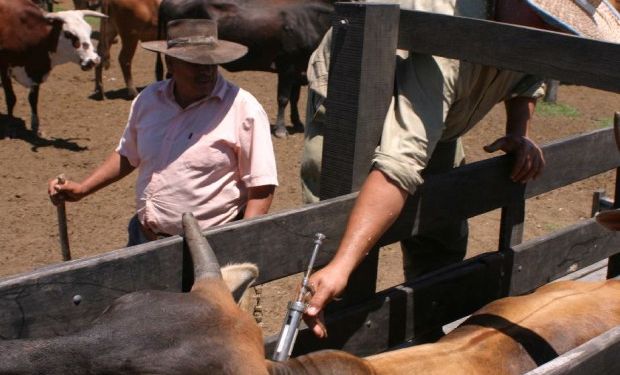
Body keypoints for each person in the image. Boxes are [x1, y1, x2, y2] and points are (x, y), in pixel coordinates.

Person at [302, 0, 620, 338]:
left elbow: (529, 74)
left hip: (440, 118)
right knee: (337, 237)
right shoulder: (448, 33)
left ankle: (424, 334)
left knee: (443, 234)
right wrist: (342, 264)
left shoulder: (532, 33)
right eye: (547, 17)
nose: (553, 32)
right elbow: (402, 160)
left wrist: (518, 131)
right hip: (350, 108)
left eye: (563, 26)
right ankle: (322, 344)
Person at [48, 19, 278, 246]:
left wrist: (242, 243)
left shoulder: (243, 108)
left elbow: (261, 186)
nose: (206, 71)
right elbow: (128, 154)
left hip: (210, 246)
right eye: (195, 63)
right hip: (144, 236)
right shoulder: (149, 99)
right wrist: (83, 188)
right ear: (170, 63)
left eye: (211, 63)